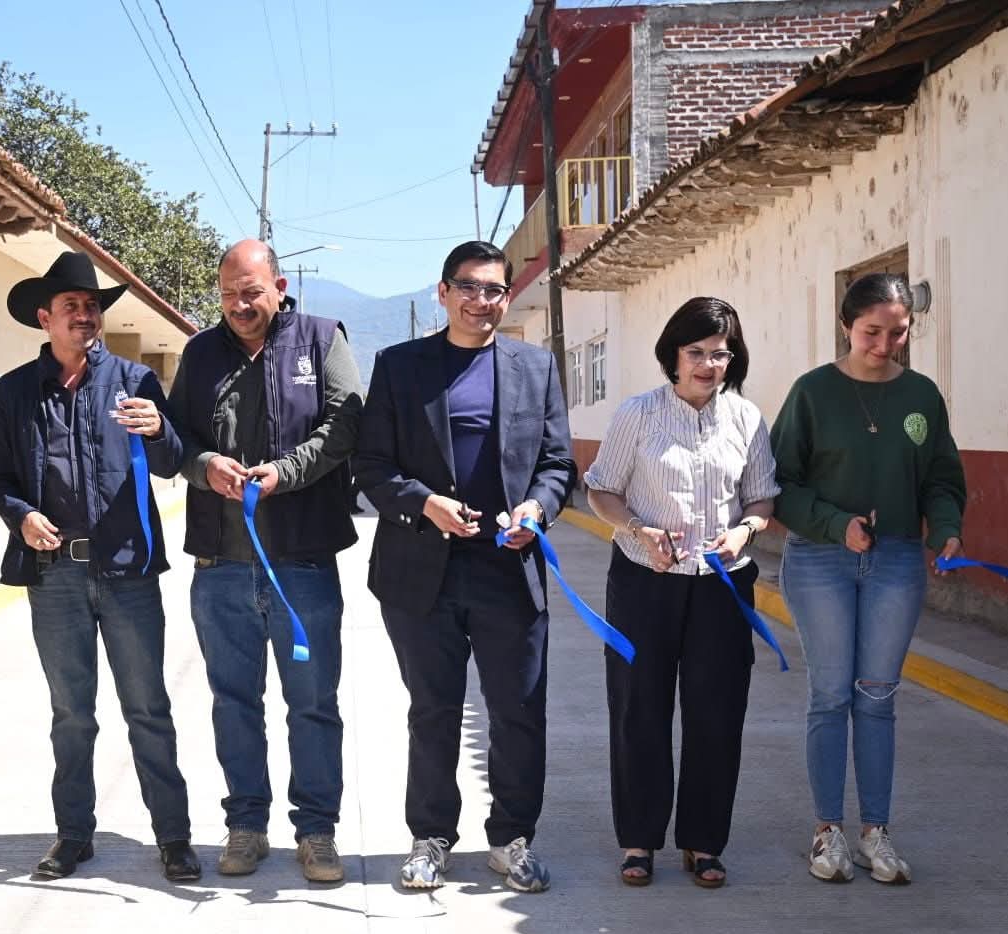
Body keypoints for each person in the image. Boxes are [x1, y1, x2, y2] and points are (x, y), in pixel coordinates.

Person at [353, 240, 575, 893]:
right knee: (433, 709)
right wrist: (424, 504)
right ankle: (429, 838)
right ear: (443, 292)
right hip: (421, 571)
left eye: (494, 290)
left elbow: (557, 465)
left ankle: (511, 839)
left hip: (508, 569)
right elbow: (371, 464)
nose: (483, 302)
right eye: (470, 288)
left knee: (517, 710)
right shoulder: (399, 366)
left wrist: (534, 509)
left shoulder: (534, 366)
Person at [0, 251, 200, 882]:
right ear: (45, 318)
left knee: (147, 707)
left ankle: (173, 836)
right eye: (72, 307)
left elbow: (172, 460)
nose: (85, 316)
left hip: (127, 571)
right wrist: (19, 514)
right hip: (55, 577)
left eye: (92, 306)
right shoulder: (13, 393)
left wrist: (158, 428)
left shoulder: (134, 382)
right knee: (72, 714)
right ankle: (74, 834)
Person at [166, 239, 363, 882]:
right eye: (228, 295)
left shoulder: (320, 340)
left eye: (251, 292)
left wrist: (284, 471)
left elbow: (344, 427)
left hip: (302, 563)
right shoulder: (199, 354)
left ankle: (316, 831)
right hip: (220, 564)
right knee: (233, 701)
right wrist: (205, 466)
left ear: (279, 286)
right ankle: (246, 825)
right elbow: (175, 440)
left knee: (312, 703)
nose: (239, 306)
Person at [772, 273, 965, 885]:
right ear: (847, 327)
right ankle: (828, 831)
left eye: (899, 332)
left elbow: (941, 473)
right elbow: (781, 487)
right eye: (872, 332)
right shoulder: (812, 393)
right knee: (830, 695)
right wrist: (836, 525)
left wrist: (947, 523)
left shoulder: (922, 396)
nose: (886, 344)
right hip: (821, 561)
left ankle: (875, 832)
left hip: (898, 562)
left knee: (877, 697)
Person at [583, 297, 779, 888]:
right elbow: (600, 491)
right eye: (696, 352)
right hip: (645, 582)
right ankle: (639, 841)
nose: (709, 365)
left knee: (717, 713)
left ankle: (703, 841)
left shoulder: (747, 418)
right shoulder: (638, 414)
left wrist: (745, 530)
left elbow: (763, 498)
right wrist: (638, 528)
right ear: (673, 354)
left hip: (722, 585)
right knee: (639, 711)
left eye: (721, 354)